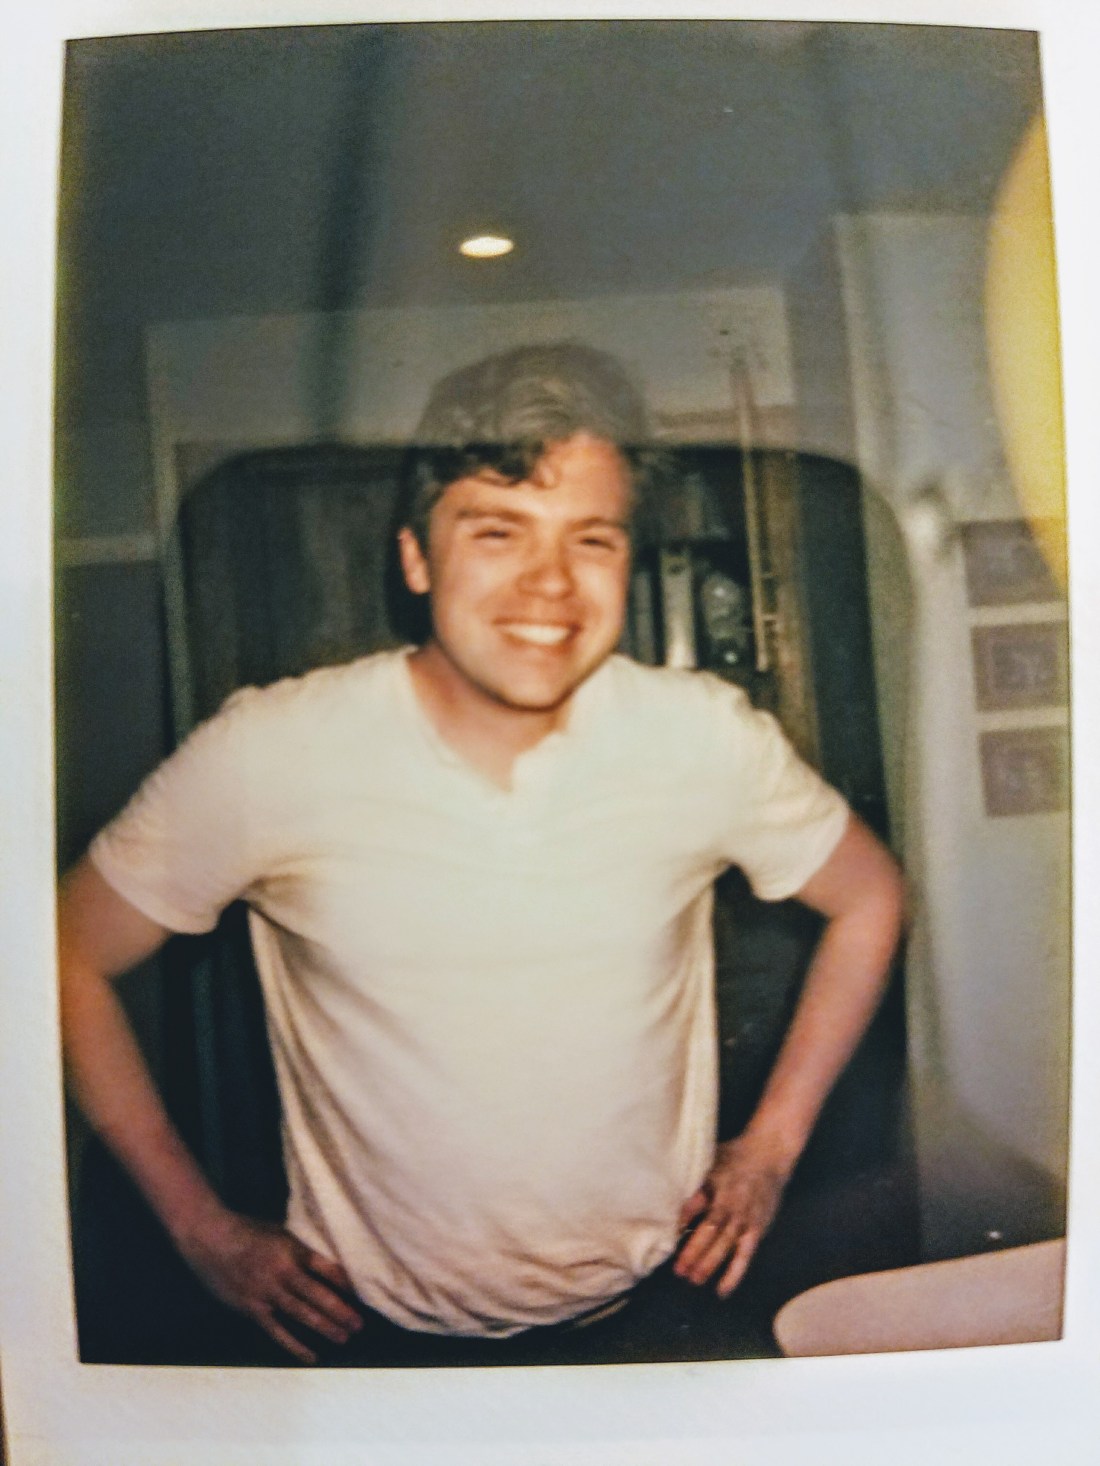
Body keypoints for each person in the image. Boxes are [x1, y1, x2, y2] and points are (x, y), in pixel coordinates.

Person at [57, 342, 905, 1365]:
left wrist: (769, 1147)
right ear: (416, 557)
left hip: (648, 1319)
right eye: (497, 531)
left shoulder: (701, 737)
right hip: (366, 1342)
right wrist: (199, 1227)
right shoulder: (271, 751)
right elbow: (61, 953)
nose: (548, 584)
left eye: (590, 539)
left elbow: (867, 896)